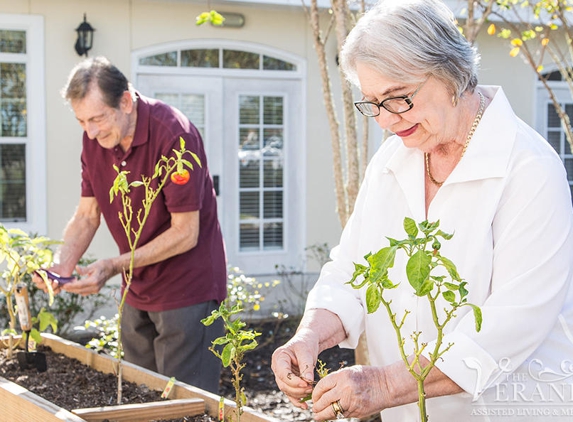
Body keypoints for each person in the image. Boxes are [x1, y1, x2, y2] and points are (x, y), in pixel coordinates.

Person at [271, 0, 573, 421]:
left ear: (452, 72)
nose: (385, 121)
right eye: (372, 102)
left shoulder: (528, 169)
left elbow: (511, 326)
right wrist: (309, 336)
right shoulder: (396, 156)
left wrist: (384, 384)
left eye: (398, 98)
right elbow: (353, 270)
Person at [33, 56, 227, 394]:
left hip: (188, 292)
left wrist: (112, 265)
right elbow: (87, 215)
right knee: (141, 399)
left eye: (97, 118)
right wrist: (61, 268)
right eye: (81, 122)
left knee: (185, 406)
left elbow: (186, 233)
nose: (90, 132)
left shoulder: (173, 135)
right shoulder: (95, 140)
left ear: (125, 101)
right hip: (136, 289)